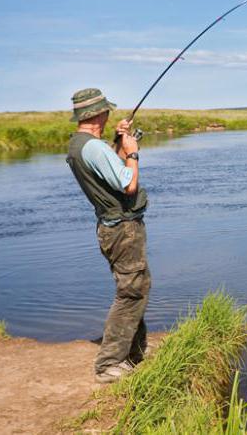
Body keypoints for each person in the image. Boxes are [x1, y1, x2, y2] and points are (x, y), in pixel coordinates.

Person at [66, 88, 151, 384]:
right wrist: (132, 151)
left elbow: (110, 171)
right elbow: (127, 183)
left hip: (113, 228)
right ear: (97, 114)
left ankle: (135, 351)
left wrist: (117, 141)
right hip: (122, 230)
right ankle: (109, 364)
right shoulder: (93, 148)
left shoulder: (81, 145)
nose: (109, 114)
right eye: (106, 111)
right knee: (131, 291)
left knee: (136, 285)